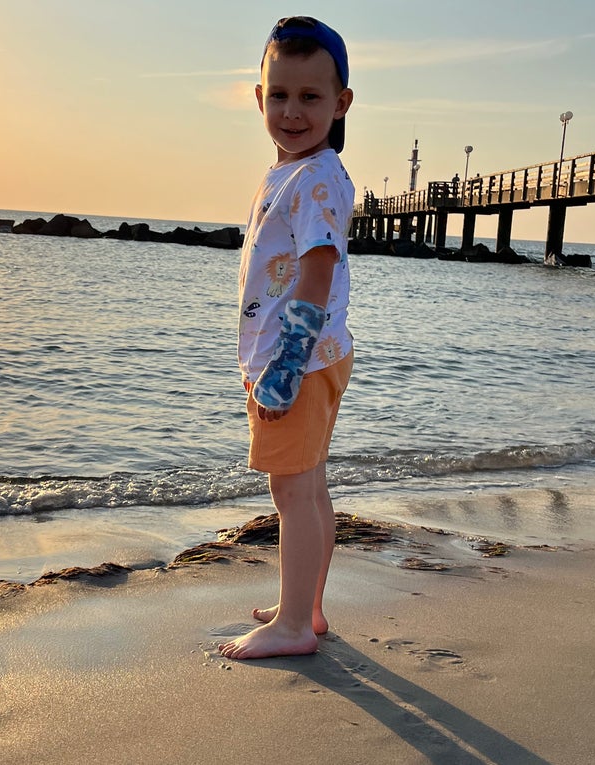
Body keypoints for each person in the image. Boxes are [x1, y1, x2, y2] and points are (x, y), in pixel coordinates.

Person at [219, 16, 355, 660]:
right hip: (316, 356)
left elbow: (318, 270)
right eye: (279, 95)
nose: (292, 112)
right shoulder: (296, 173)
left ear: (340, 103)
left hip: (297, 361)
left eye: (310, 97)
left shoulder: (314, 178)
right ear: (258, 97)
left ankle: (295, 625)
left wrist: (285, 364)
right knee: (312, 486)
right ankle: (308, 607)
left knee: (292, 492)